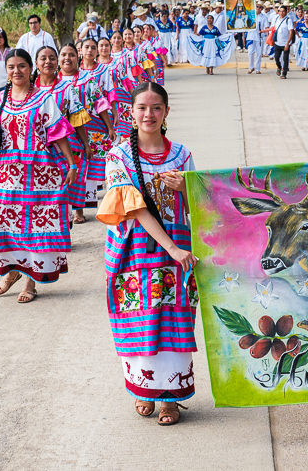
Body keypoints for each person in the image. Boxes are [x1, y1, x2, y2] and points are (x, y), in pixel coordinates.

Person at [96, 82, 199, 426]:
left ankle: (172, 398)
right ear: (131, 112)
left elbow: (201, 202)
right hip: (135, 251)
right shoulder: (118, 156)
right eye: (142, 107)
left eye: (156, 108)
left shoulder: (182, 154)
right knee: (139, 320)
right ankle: (144, 390)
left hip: (177, 250)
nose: (149, 114)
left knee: (174, 320)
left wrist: (188, 186)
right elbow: (132, 206)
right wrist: (171, 247)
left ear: (167, 112)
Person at [0, 49, 77, 303]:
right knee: (5, 225)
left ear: (31, 69)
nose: (17, 71)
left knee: (37, 229)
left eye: (22, 66)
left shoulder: (43, 99)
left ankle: (31, 282)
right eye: (11, 67)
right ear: (6, 71)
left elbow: (58, 134)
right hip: (4, 176)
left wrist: (71, 164)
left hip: (39, 176)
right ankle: (12, 271)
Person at [34, 45, 92, 216]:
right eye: (43, 58)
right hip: (39, 149)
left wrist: (86, 144)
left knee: (68, 184)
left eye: (52, 58)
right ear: (36, 63)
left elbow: (77, 118)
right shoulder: (30, 89)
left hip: (67, 145)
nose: (48, 62)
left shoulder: (66, 88)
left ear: (57, 62)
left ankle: (72, 216)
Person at [60, 42, 116, 219]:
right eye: (64, 54)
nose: (67, 58)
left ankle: (78, 210)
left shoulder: (87, 78)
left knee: (83, 169)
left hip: (89, 129)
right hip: (62, 133)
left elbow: (99, 103)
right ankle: (62, 210)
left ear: (78, 57)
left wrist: (109, 126)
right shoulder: (52, 81)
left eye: (71, 55)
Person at [272, 4, 295, 79]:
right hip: (277, 42)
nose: (281, 13)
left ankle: (284, 73)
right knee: (276, 58)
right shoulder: (276, 19)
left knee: (285, 59)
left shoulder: (288, 20)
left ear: (286, 12)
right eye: (280, 11)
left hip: (285, 43)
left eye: (283, 11)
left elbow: (291, 32)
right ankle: (279, 67)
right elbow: (273, 29)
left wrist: (287, 43)